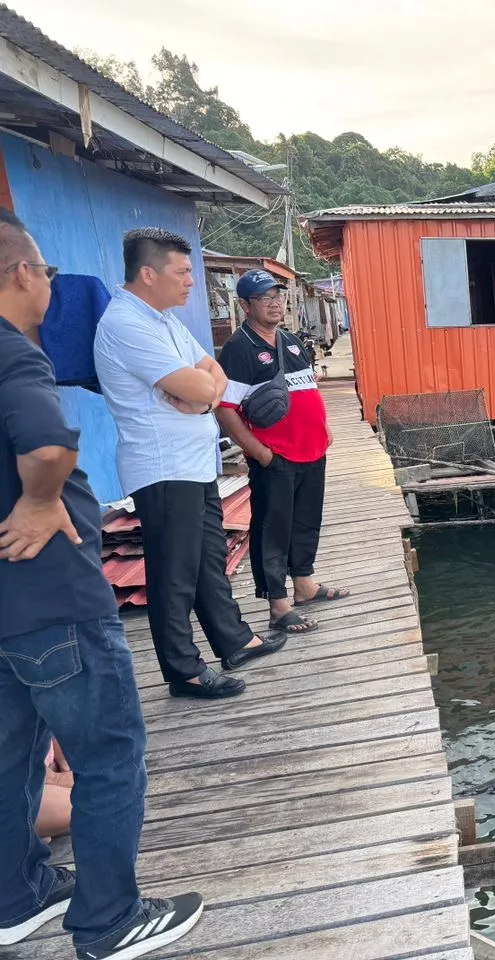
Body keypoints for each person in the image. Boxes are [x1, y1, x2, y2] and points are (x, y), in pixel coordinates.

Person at [0, 208, 204, 957]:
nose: (49, 285)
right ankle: (108, 919)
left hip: (2, 613)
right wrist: (41, 498)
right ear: (26, 274)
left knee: (10, 755)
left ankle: (14, 897)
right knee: (110, 753)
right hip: (55, 602)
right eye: (47, 272)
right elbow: (49, 444)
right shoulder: (14, 355)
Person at [94, 229, 285, 700]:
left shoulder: (163, 320)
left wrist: (199, 395)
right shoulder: (126, 324)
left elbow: (212, 373)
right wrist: (201, 393)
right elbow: (206, 388)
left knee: (207, 561)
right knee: (174, 572)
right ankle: (183, 669)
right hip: (162, 465)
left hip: (194, 462)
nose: (189, 283)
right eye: (181, 273)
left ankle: (233, 639)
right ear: (147, 273)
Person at [215, 270, 348, 632]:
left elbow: (307, 389)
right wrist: (259, 452)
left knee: (306, 521)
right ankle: (278, 604)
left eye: (278, 296)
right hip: (277, 456)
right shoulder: (239, 349)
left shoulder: (290, 340)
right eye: (264, 298)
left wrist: (324, 428)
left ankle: (304, 584)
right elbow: (225, 408)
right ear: (245, 306)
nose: (275, 303)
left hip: (311, 449)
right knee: (273, 528)